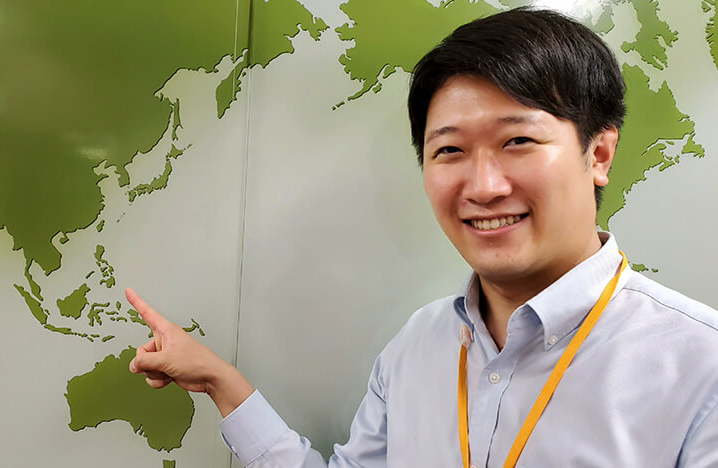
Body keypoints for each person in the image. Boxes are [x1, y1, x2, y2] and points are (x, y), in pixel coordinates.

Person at [126, 8, 718, 467]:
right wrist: (221, 383)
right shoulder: (419, 345)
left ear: (599, 153)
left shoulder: (700, 366)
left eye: (518, 141)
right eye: (450, 150)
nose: (483, 187)